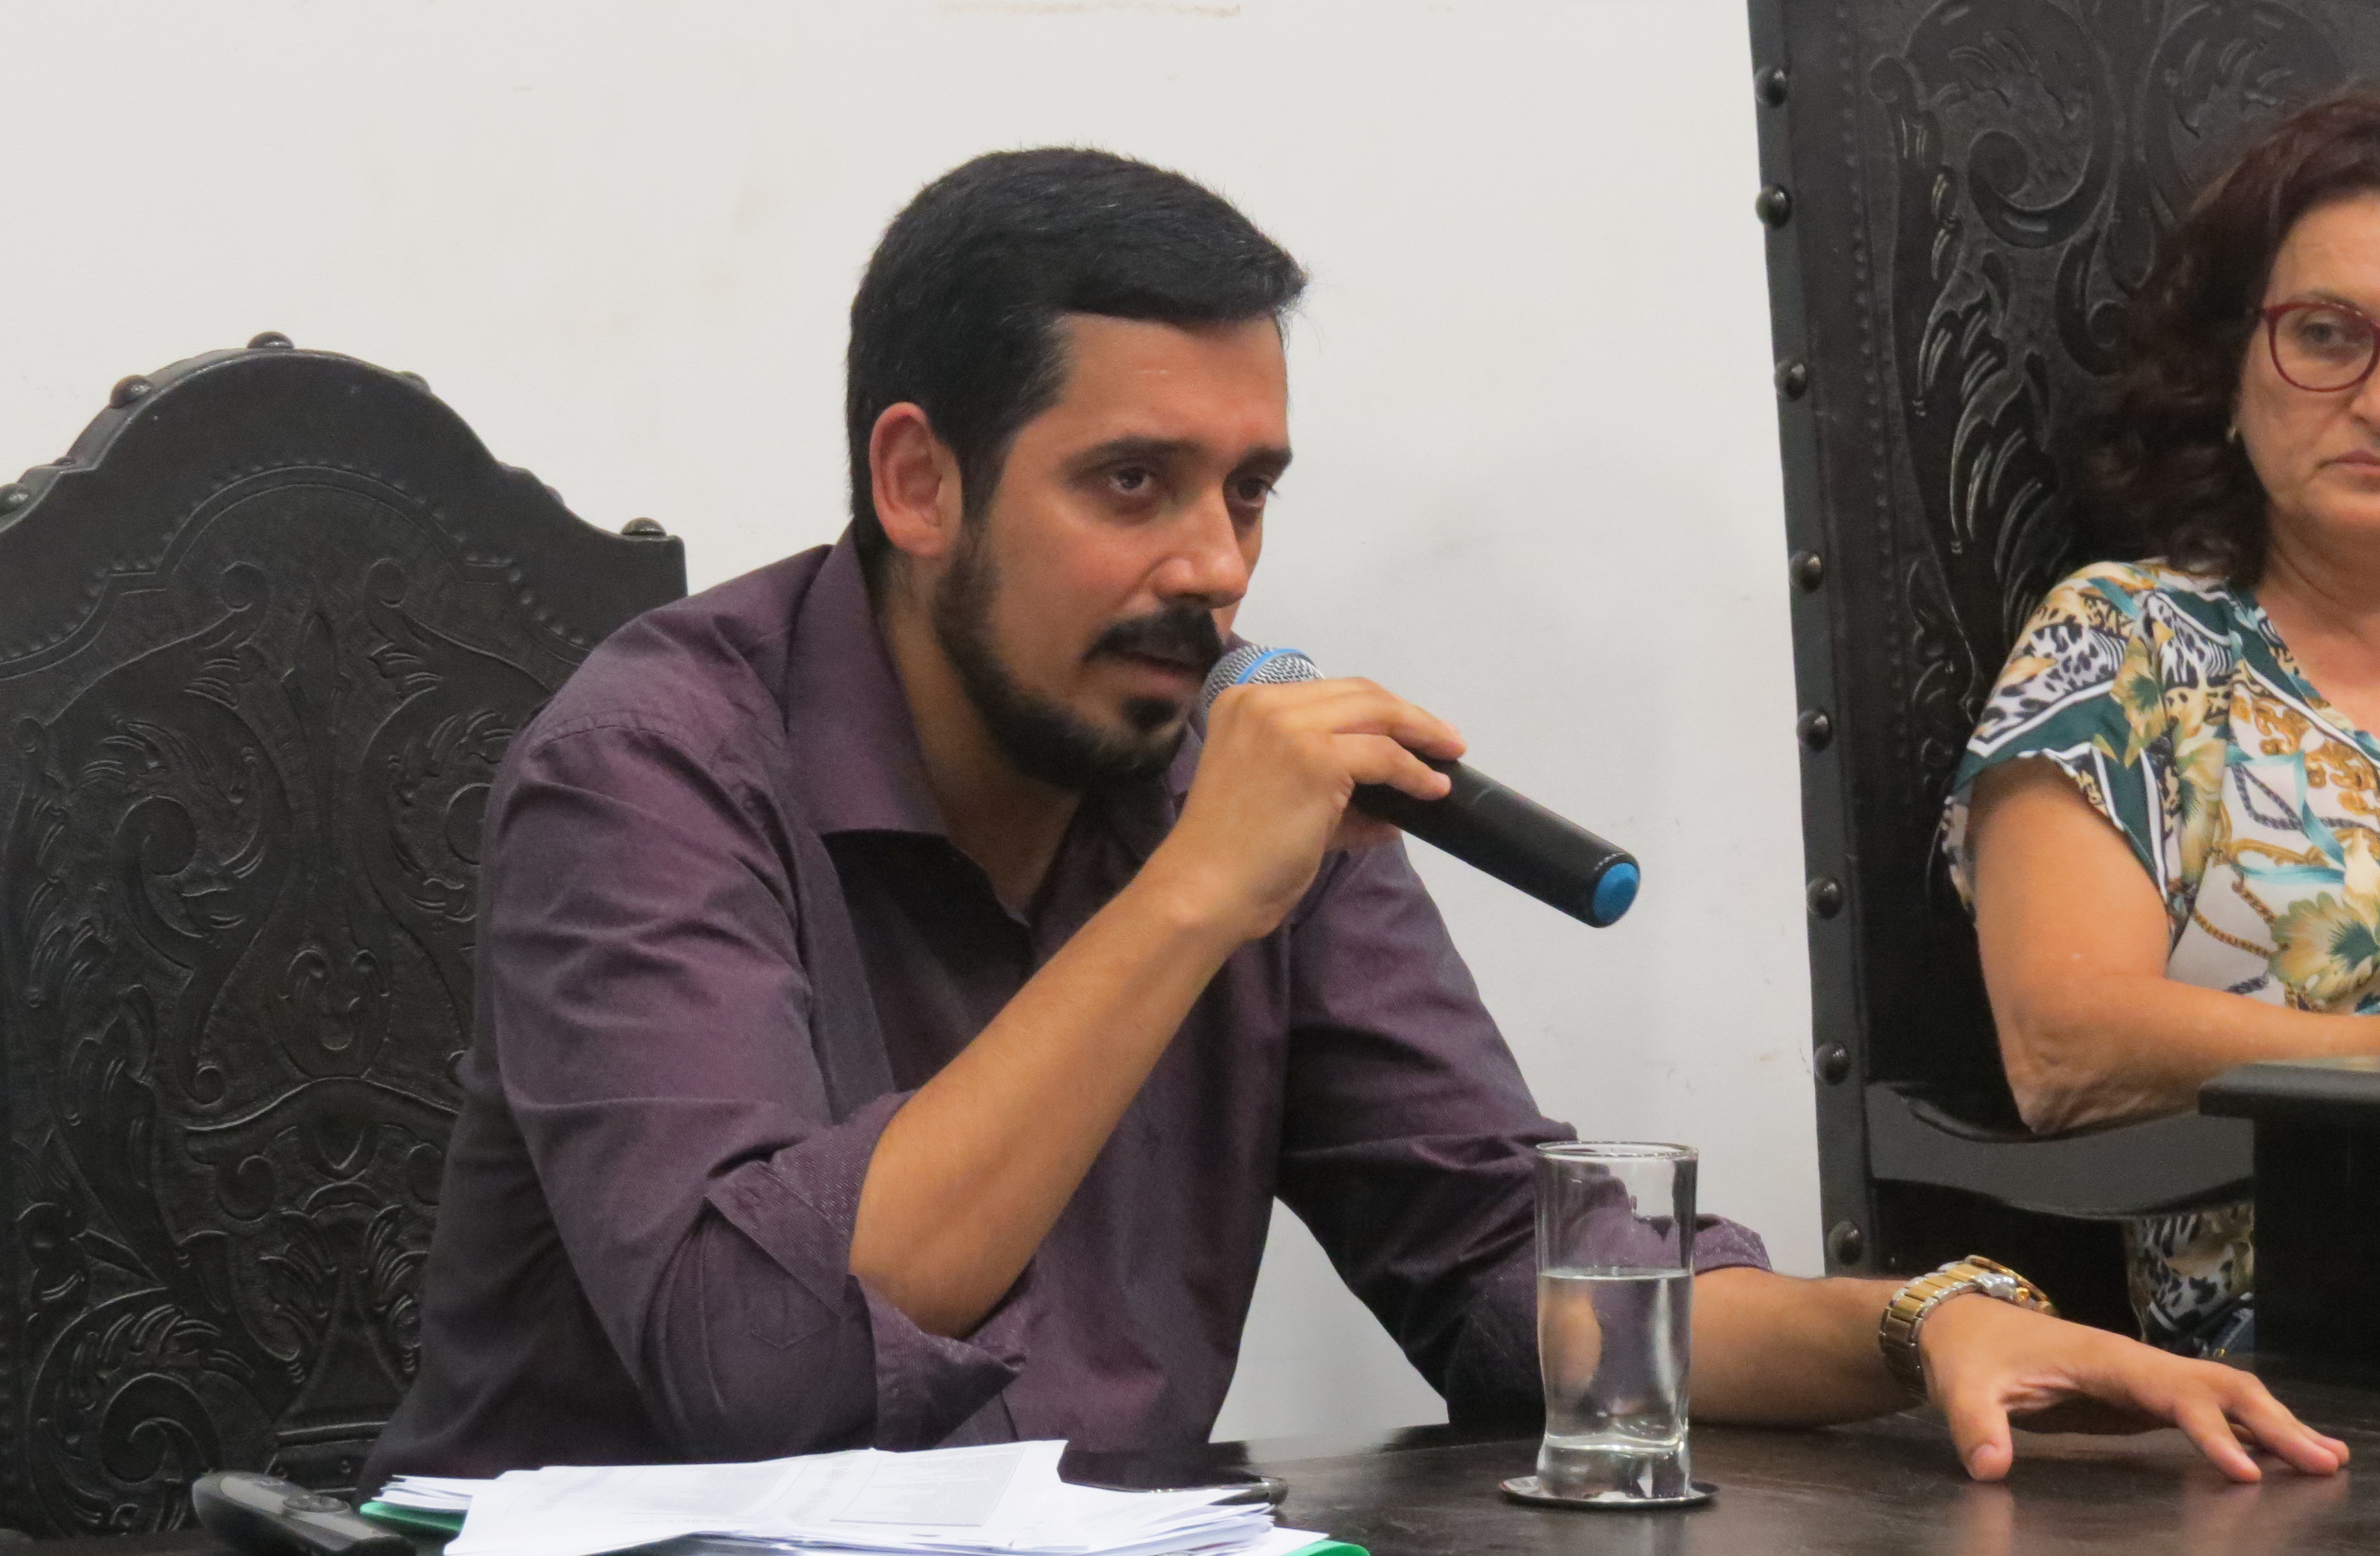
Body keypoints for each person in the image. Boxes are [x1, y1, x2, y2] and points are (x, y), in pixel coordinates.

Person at [365, 148, 2344, 1493]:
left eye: (1249, 492)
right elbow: (759, 1363)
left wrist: (1920, 1327)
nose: (1213, 567)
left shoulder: (1220, 764)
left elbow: (1502, 1261)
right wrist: (1190, 904)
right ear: (918, 480)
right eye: (1131, 484)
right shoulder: (646, 765)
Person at [1949, 92, 2380, 1358]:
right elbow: (2066, 1044)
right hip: (2305, 1346)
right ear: (2226, 375)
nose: (2374, 398)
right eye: (2325, 334)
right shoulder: (2128, 644)